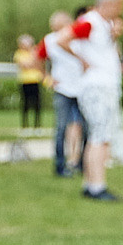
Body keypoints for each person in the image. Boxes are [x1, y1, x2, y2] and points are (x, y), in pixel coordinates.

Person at [63, 0, 123, 201]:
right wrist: (82, 60)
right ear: (110, 2)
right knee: (100, 135)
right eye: (120, 3)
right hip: (96, 87)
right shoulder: (89, 22)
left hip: (105, 85)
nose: (122, 8)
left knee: (100, 135)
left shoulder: (103, 24)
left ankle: (90, 183)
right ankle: (97, 186)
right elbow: (62, 38)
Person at [44, 9, 85, 178]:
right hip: (62, 89)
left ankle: (82, 163)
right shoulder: (49, 40)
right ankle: (60, 165)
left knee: (85, 128)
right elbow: (36, 58)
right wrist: (46, 77)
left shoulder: (79, 39)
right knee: (61, 128)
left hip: (81, 88)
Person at [12, 33, 46, 132]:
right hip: (25, 80)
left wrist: (33, 60)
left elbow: (39, 63)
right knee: (25, 104)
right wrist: (33, 64)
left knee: (37, 104)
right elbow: (24, 65)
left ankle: (37, 126)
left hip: (35, 80)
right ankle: (25, 126)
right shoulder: (19, 53)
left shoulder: (35, 52)